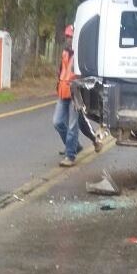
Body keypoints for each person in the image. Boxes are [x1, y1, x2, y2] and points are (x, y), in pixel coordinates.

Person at [53, 24, 102, 167]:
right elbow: (61, 71)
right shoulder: (65, 52)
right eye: (67, 36)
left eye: (71, 37)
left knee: (74, 124)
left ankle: (70, 154)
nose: (68, 39)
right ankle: (78, 145)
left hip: (76, 93)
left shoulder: (82, 54)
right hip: (63, 92)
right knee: (58, 122)